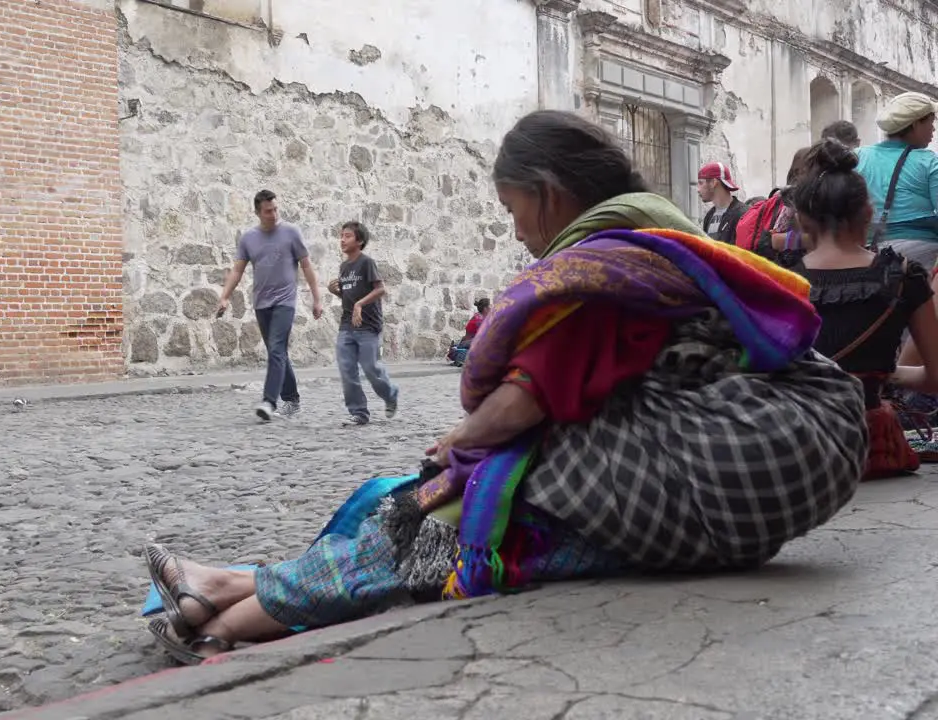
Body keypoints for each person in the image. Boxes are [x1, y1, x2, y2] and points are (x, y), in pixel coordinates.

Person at [140, 110, 868, 664]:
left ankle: (238, 609)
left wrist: (457, 441)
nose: (520, 234)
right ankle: (234, 595)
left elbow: (524, 401)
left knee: (435, 516)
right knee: (472, 509)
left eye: (517, 213)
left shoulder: (598, 265)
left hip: (713, 453)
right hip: (750, 462)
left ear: (550, 197)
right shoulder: (663, 237)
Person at [786, 138, 938, 478]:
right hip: (873, 449)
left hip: (801, 450)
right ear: (868, 212)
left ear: (804, 219)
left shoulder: (777, 281)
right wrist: (886, 372)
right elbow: (935, 377)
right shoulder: (903, 277)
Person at [217, 190, 323, 422]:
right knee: (278, 352)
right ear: (257, 212)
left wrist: (317, 299)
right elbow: (237, 270)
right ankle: (292, 399)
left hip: (285, 301)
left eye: (275, 209)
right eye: (268, 211)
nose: (273, 214)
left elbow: (306, 266)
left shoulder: (291, 233)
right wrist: (225, 296)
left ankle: (269, 401)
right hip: (261, 303)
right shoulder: (249, 238)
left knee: (276, 349)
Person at [326, 221, 399, 426]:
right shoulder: (344, 267)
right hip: (347, 325)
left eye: (347, 236)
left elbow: (380, 289)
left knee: (370, 369)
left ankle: (390, 393)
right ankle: (359, 412)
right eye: (341, 235)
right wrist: (336, 292)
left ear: (359, 241)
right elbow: (349, 298)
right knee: (347, 369)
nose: (342, 239)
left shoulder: (366, 263)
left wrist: (359, 304)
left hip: (368, 325)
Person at [857, 92, 938, 269]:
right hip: (920, 252)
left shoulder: (859, 156)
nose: (933, 129)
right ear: (916, 124)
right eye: (931, 122)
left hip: (869, 252)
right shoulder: (928, 160)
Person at [697, 162, 746, 244]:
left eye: (701, 183)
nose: (698, 190)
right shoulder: (709, 216)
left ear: (713, 182)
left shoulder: (742, 214)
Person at [446, 299, 490, 367]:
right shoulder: (479, 320)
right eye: (490, 307)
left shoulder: (479, 316)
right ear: (485, 309)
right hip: (468, 343)